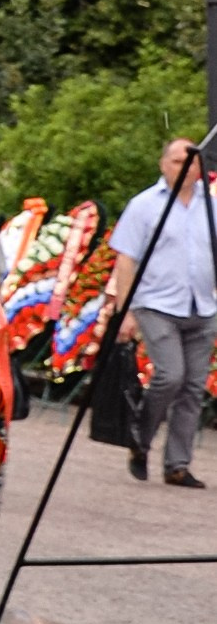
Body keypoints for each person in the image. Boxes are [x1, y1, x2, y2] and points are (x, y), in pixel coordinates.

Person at [106, 136, 217, 487]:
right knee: (171, 375)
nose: (185, 167)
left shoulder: (210, 206)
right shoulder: (144, 205)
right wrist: (124, 311)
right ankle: (140, 434)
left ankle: (177, 465)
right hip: (156, 304)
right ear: (163, 164)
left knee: (194, 386)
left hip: (201, 304)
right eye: (177, 160)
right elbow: (126, 259)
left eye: (192, 161)